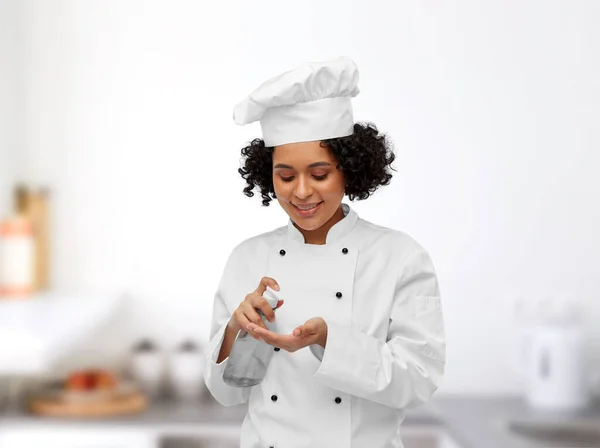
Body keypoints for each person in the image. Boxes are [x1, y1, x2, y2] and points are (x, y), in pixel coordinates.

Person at [204, 56, 446, 448]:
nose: (301, 191)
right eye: (285, 176)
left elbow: (419, 380)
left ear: (349, 170)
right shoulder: (247, 258)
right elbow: (225, 394)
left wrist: (330, 342)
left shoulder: (400, 257)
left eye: (319, 174)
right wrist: (236, 331)